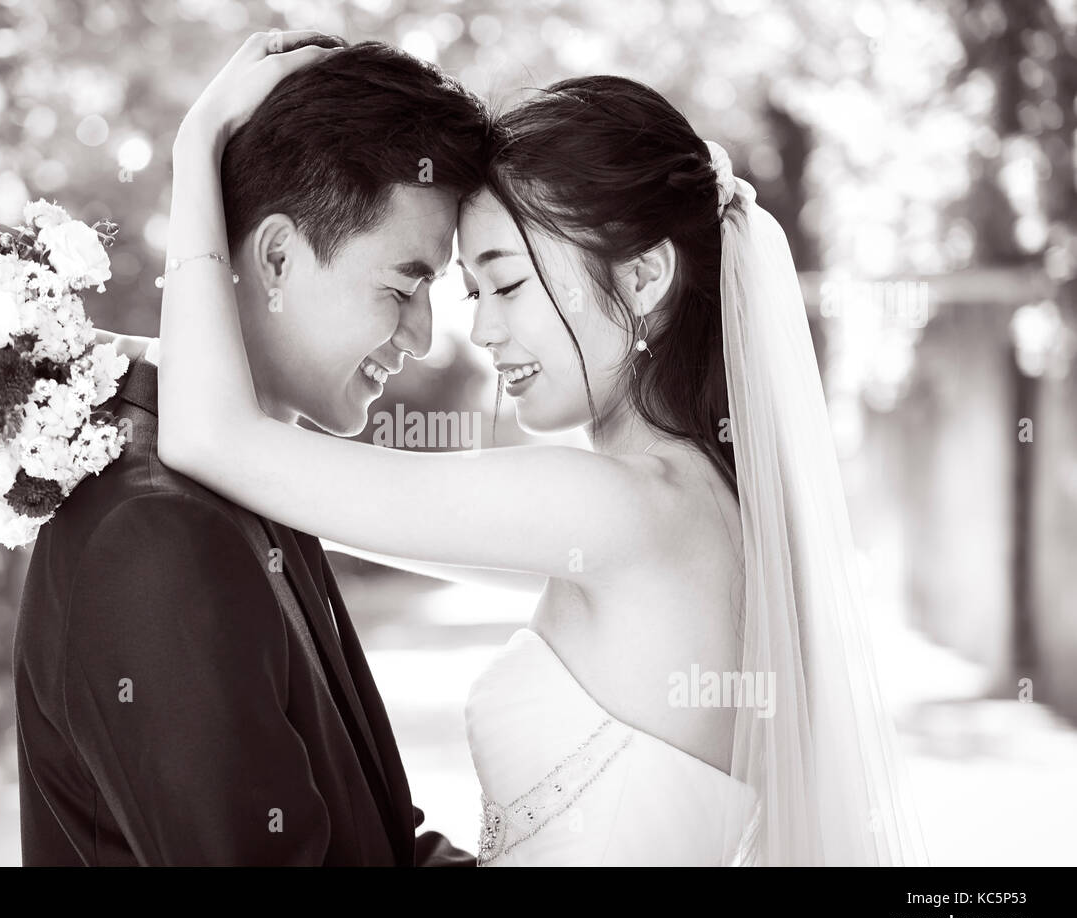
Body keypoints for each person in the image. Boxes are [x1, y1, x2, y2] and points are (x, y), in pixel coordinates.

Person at [141, 32, 929, 865]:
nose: (481, 330)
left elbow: (215, 438)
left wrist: (199, 146)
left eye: (508, 283)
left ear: (644, 278)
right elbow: (297, 488)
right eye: (472, 291)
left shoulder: (620, 510)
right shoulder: (680, 504)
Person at [12, 33, 489, 865]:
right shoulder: (156, 534)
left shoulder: (258, 470)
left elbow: (379, 843)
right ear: (276, 256)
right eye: (403, 286)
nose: (422, 335)